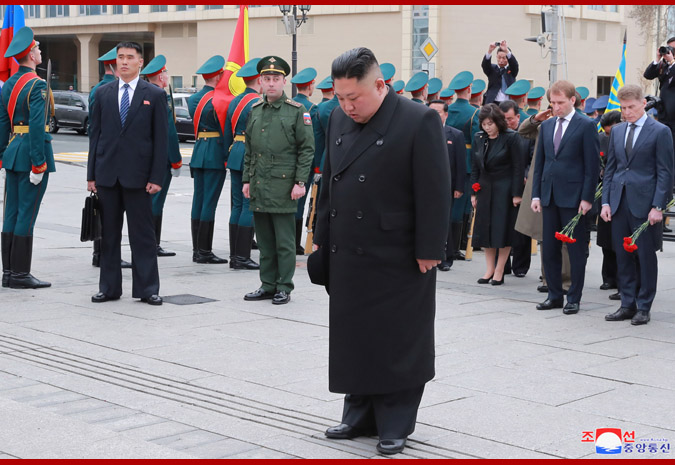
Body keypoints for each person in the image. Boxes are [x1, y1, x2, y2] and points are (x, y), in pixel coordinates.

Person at [313, 47, 450, 456]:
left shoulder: (418, 119)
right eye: (340, 97)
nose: (346, 106)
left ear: (379, 84)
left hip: (398, 252)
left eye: (354, 97)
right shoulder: (337, 117)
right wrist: (321, 238)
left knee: (397, 338)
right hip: (349, 252)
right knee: (354, 336)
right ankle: (357, 412)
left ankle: (395, 420)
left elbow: (435, 189)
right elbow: (329, 183)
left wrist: (430, 248)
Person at [87, 41, 168, 306]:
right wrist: (91, 175)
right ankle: (109, 288)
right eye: (120, 57)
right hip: (107, 176)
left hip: (140, 178)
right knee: (109, 235)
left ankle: (147, 289)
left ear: (140, 62)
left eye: (129, 57)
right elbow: (95, 137)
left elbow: (160, 141)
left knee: (142, 236)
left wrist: (157, 178)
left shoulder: (153, 95)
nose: (123, 62)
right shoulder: (103, 93)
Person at [242, 55, 314, 305]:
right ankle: (267, 284)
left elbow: (306, 149)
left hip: (284, 186)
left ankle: (284, 285)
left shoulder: (297, 111)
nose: (271, 83)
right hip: (260, 183)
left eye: (276, 79)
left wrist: (300, 182)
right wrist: (246, 180)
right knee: (264, 240)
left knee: (284, 241)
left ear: (285, 82)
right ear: (260, 82)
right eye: (266, 79)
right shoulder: (255, 111)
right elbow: (249, 149)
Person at [602, 85, 674, 325]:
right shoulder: (618, 130)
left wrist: (658, 206)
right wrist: (606, 202)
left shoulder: (660, 131)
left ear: (643, 103)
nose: (626, 112)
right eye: (623, 108)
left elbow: (665, 172)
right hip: (619, 202)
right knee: (622, 255)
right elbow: (610, 169)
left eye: (631, 107)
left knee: (645, 256)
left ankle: (644, 306)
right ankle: (627, 304)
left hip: (645, 205)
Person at [531, 80, 600, 315]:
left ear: (572, 100)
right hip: (549, 195)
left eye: (560, 102)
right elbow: (540, 163)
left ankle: (574, 297)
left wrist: (587, 198)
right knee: (549, 248)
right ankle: (554, 295)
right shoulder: (547, 126)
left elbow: (592, 166)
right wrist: (536, 194)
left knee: (575, 250)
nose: (555, 107)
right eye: (552, 102)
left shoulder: (586, 125)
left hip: (574, 198)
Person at [0, 26, 55, 289]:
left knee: (10, 213)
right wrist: (39, 162)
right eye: (37, 48)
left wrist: (3, 155)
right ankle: (21, 275)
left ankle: (9, 273)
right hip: (31, 154)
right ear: (31, 55)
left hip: (12, 153)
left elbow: (2, 125)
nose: (40, 50)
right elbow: (36, 126)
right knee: (26, 214)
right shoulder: (37, 84)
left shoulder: (8, 84)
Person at [89, 47, 132, 269]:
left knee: (105, 216)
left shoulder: (97, 88)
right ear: (114, 66)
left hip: (104, 160)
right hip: (113, 162)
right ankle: (101, 255)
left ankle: (99, 253)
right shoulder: (106, 90)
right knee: (110, 217)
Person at [470, 104, 524, 285]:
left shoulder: (511, 137)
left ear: (498, 122)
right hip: (485, 188)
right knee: (485, 229)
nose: (487, 127)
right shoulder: (479, 138)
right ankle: (489, 269)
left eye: (490, 124)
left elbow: (518, 167)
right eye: (484, 124)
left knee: (503, 229)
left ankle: (500, 269)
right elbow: (475, 166)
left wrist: (517, 194)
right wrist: (473, 192)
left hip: (505, 188)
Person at [140, 55, 183, 258]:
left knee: (148, 202)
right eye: (165, 73)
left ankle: (148, 243)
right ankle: (152, 244)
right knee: (156, 202)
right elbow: (169, 133)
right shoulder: (160, 96)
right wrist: (176, 160)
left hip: (144, 156)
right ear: (160, 76)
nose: (166, 76)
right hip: (160, 159)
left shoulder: (142, 94)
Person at [188, 55, 229, 264]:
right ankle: (204, 251)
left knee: (198, 200)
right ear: (219, 75)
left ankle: (197, 249)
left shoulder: (193, 99)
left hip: (199, 150)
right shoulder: (219, 100)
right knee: (209, 203)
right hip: (214, 152)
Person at [222, 58, 262, 270]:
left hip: (236, 152)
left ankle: (234, 255)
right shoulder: (257, 102)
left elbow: (228, 131)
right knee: (248, 204)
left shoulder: (235, 101)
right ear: (259, 79)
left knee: (237, 204)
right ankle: (242, 256)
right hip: (250, 154)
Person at [446, 71, 481, 260]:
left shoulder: (447, 109)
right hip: (465, 160)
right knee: (460, 206)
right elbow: (476, 142)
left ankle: (449, 245)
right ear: (469, 90)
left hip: (444, 157)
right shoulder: (474, 112)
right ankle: (455, 247)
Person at [428, 99, 466, 271]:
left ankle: (446, 257)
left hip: (447, 186)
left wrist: (459, 187)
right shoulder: (421, 132)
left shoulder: (455, 135)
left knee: (445, 221)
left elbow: (460, 163)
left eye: (438, 112)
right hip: (426, 185)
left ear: (446, 114)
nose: (434, 116)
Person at [500, 99, 534, 277]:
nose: (507, 123)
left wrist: (525, 174)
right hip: (502, 185)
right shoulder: (498, 134)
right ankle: (502, 265)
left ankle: (520, 266)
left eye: (510, 119)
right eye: (503, 119)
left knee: (521, 227)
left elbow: (532, 159)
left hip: (522, 186)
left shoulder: (526, 134)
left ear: (518, 117)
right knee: (502, 225)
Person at [291, 67, 321, 255]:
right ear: (310, 86)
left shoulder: (288, 104)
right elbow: (312, 139)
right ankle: (294, 243)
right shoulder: (311, 108)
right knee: (299, 204)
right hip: (304, 162)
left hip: (287, 161)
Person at [596, 110, 622, 293]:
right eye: (606, 132)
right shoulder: (600, 139)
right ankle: (608, 277)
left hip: (621, 191)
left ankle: (622, 280)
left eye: (611, 131)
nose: (608, 135)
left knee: (619, 240)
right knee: (606, 239)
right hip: (604, 193)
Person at [643, 37, 675, 146]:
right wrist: (657, 59)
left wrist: (672, 62)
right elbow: (648, 75)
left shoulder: (672, 65)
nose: (670, 51)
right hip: (664, 114)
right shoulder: (664, 66)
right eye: (669, 48)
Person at [482, 40, 518, 104]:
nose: (501, 60)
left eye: (504, 58)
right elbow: (485, 65)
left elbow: (514, 64)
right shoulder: (492, 69)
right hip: (493, 102)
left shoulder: (512, 69)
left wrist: (506, 50)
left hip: (508, 102)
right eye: (499, 57)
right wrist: (490, 51)